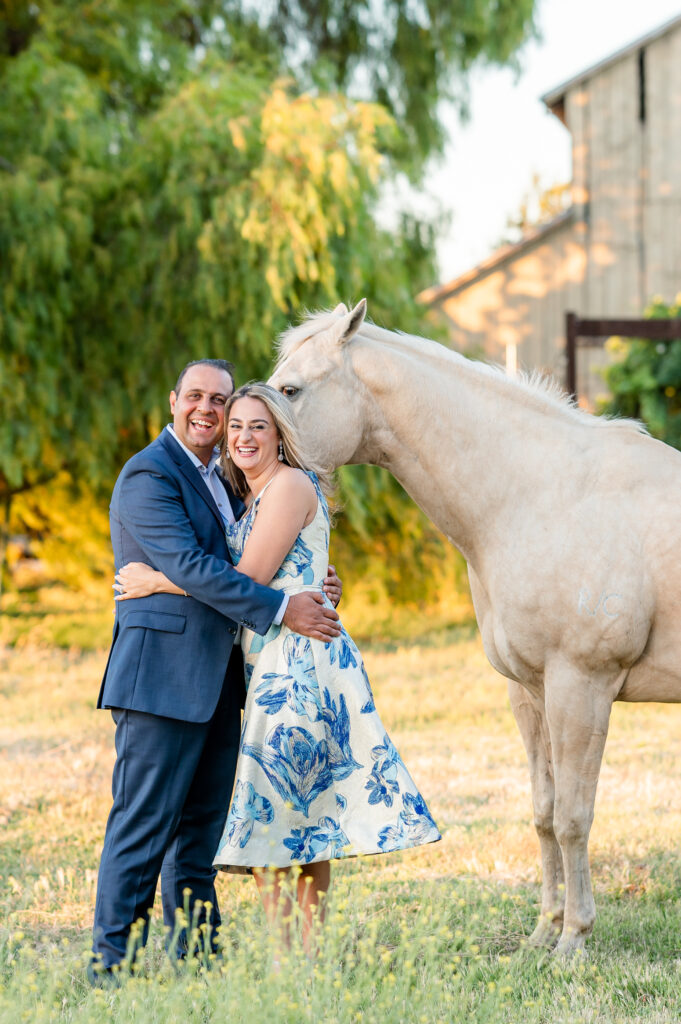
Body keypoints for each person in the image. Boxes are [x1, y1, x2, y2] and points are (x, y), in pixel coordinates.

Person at [115, 382, 441, 955]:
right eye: (235, 425)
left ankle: (295, 957)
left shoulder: (286, 486)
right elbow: (259, 571)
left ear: (280, 434)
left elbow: (250, 577)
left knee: (282, 816)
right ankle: (296, 956)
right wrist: (317, 582)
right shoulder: (254, 496)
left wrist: (157, 580)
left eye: (256, 426)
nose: (241, 435)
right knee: (292, 815)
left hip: (296, 669)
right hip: (273, 664)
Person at [89, 360, 342, 984]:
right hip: (162, 680)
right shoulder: (150, 474)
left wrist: (314, 583)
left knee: (198, 837)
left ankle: (195, 960)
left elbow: (260, 556)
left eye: (219, 401)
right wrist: (284, 606)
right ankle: (111, 968)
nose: (208, 409)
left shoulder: (228, 483)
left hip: (225, 682)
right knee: (143, 826)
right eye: (196, 396)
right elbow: (199, 567)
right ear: (174, 400)